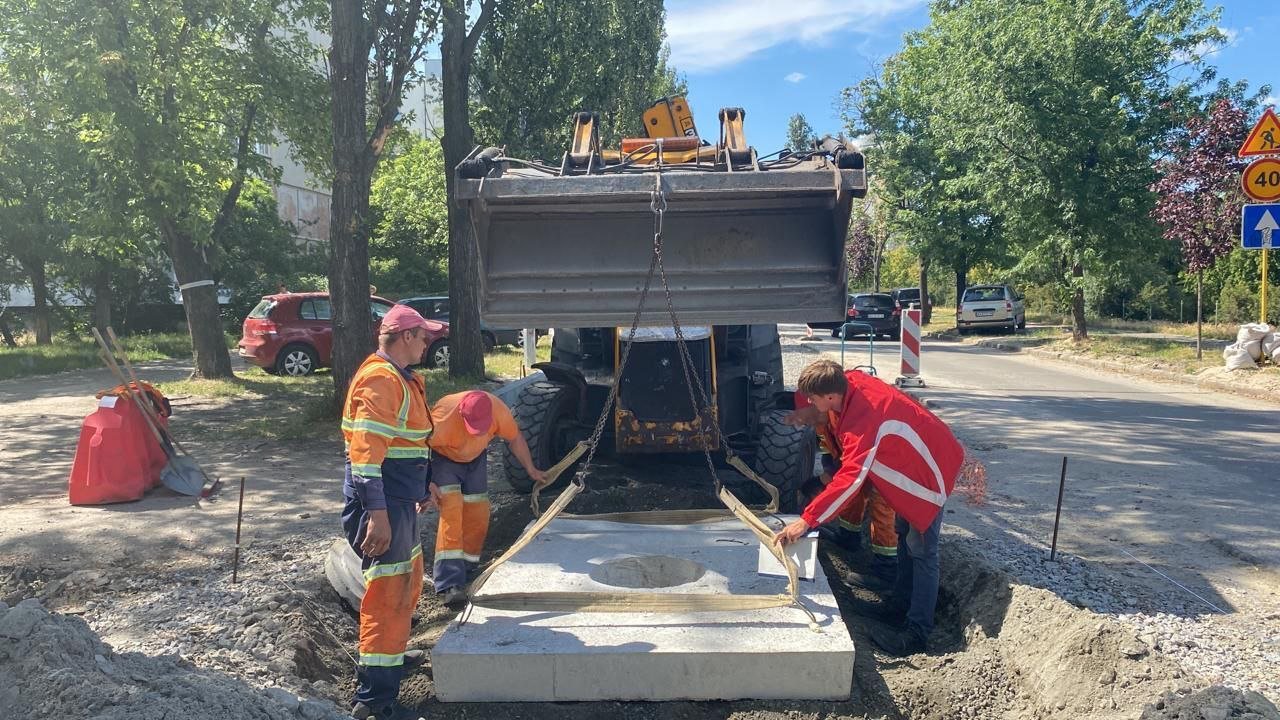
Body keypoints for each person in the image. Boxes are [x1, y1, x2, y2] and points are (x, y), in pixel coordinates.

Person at [774, 359, 963, 656]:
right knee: (905, 538)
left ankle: (916, 634)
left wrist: (807, 520)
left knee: (923, 551)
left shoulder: (864, 420)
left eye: (813, 400)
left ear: (830, 397)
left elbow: (851, 479)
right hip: (914, 467)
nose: (809, 404)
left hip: (928, 475)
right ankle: (898, 608)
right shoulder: (847, 387)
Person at [340, 304, 435, 720]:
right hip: (384, 504)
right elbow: (365, 456)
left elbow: (405, 442)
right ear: (406, 336)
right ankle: (375, 700)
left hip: (399, 499)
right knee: (387, 597)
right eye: (424, 336)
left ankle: (391, 659)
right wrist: (377, 514)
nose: (428, 343)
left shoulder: (400, 377)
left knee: (406, 584)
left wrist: (423, 482)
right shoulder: (381, 380)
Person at [427, 390, 546, 607]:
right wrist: (426, 482)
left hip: (475, 459)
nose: (477, 432)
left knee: (478, 510)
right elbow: (415, 447)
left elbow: (515, 438)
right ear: (462, 416)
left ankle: (468, 567)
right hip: (445, 460)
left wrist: (531, 469)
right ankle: (449, 584)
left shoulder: (498, 410)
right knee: (452, 512)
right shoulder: (442, 419)